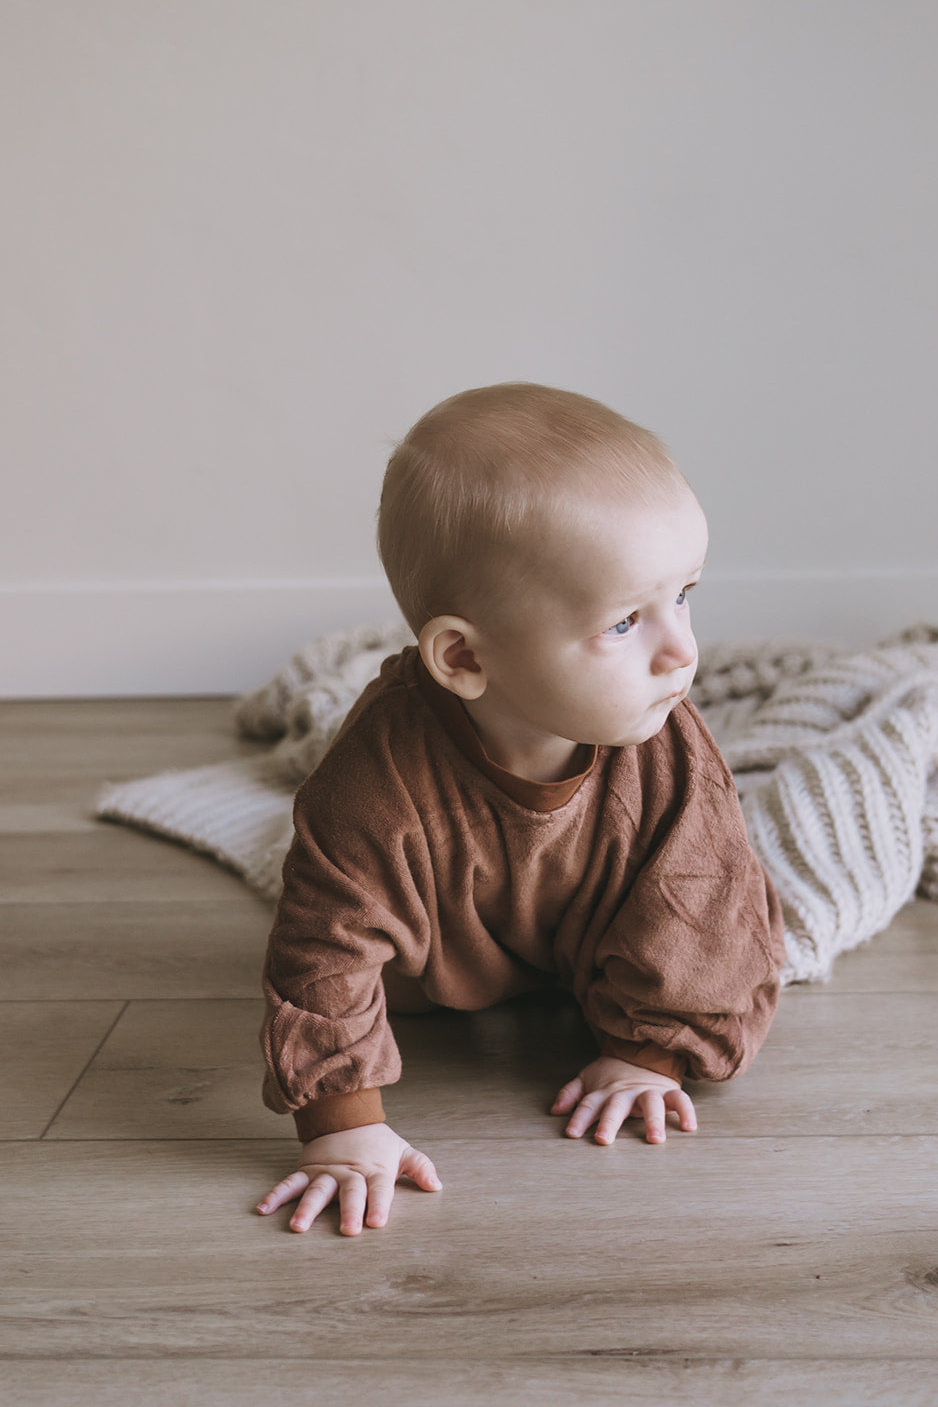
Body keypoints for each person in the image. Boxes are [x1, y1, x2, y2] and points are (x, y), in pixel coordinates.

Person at [255, 382, 785, 1237]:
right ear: (462, 656)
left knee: (738, 909)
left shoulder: (668, 750)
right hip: (442, 965)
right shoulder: (373, 783)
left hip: (604, 943)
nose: (681, 651)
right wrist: (342, 1130)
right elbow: (322, 956)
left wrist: (646, 1055)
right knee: (335, 903)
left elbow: (706, 903)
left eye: (682, 595)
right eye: (623, 624)